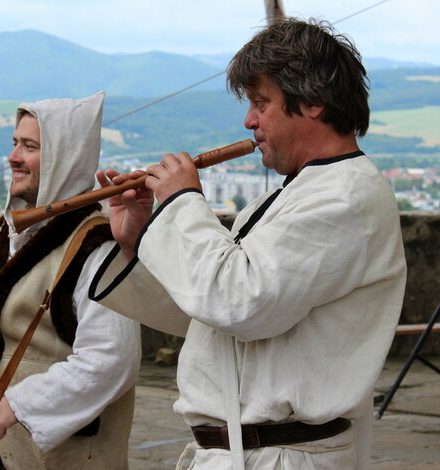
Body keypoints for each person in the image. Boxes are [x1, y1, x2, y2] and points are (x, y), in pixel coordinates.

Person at [89, 18, 406, 470]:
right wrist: (140, 237)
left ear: (314, 101)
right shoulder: (288, 196)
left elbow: (238, 304)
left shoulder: (345, 198)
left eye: (261, 102)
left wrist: (181, 201)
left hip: (282, 457)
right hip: (246, 454)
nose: (249, 120)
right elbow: (208, 317)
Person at [0, 92, 141, 470]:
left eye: (30, 147)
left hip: (61, 457)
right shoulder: (7, 235)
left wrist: (19, 405)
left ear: (62, 160)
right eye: (15, 142)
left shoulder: (98, 248)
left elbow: (112, 359)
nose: (13, 157)